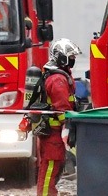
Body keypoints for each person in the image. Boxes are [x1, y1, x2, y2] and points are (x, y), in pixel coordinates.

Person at [36, 38, 81, 196]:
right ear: (62, 57)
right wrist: (69, 125)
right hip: (54, 132)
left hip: (54, 132)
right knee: (50, 168)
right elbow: (62, 107)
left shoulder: (59, 75)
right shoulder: (57, 79)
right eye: (71, 56)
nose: (73, 59)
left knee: (53, 166)